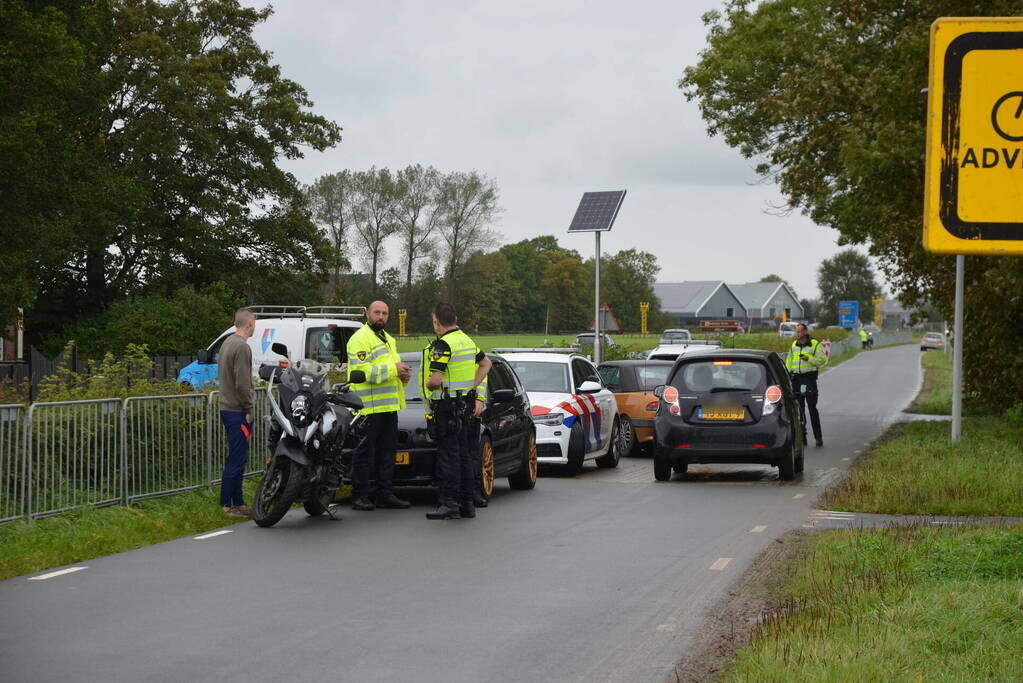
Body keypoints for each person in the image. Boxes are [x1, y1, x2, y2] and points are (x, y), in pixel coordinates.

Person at [421, 303, 491, 520]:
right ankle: (467, 503)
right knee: (463, 455)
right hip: (464, 405)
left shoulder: (443, 345)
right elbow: (486, 364)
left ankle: (449, 502)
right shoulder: (467, 341)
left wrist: (429, 385)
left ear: (436, 321)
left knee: (448, 456)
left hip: (447, 407)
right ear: (455, 318)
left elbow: (435, 380)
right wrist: (471, 385)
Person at [347, 301, 413, 511]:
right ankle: (360, 495)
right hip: (367, 409)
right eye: (377, 312)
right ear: (367, 314)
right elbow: (361, 372)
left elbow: (391, 372)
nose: (381, 316)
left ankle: (384, 494)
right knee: (364, 453)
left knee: (387, 453)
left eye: (384, 313)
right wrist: (394, 369)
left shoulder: (388, 339)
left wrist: (403, 377)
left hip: (388, 408)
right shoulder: (359, 339)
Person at [218, 308, 256, 517]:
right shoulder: (242, 347)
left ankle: (238, 502)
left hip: (227, 407)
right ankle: (226, 505)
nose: (254, 326)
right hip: (237, 410)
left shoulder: (227, 343)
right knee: (236, 459)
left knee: (237, 457)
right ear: (249, 323)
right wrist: (248, 409)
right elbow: (242, 383)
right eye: (254, 322)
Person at [785, 322, 827, 448]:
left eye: (799, 331)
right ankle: (802, 438)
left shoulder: (814, 344)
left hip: (809, 380)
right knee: (799, 411)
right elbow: (789, 360)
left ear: (805, 332)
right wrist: (788, 373)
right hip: (796, 380)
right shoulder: (794, 345)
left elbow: (822, 361)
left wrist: (809, 358)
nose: (797, 333)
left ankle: (818, 437)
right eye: (796, 331)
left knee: (812, 409)